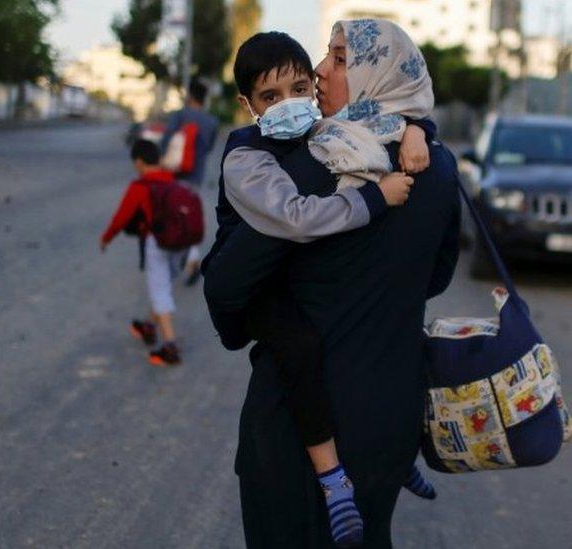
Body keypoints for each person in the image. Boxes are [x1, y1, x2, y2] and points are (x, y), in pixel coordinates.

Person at [204, 19, 461, 548]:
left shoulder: (314, 165)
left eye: (340, 61)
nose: (320, 72)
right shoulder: (437, 165)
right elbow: (435, 277)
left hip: (299, 427)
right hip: (390, 416)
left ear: (375, 74)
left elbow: (226, 283)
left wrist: (242, 326)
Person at [100, 139, 188, 367]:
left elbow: (121, 218)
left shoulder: (140, 187)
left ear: (139, 163)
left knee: (160, 291)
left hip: (157, 243)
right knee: (164, 285)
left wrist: (106, 238)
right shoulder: (173, 180)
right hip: (180, 243)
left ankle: (170, 346)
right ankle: (148, 325)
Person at [160, 80, 220, 286]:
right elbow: (210, 147)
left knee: (172, 218)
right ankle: (193, 262)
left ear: (190, 97)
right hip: (196, 176)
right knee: (187, 216)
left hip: (175, 175)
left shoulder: (180, 115)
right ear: (204, 99)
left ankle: (173, 266)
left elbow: (166, 141)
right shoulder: (211, 121)